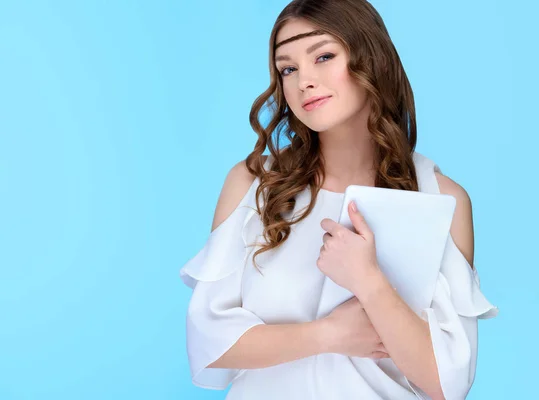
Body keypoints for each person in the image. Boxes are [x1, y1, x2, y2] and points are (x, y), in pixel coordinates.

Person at [180, 0, 499, 399]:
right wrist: (327, 335)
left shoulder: (439, 199)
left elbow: (447, 383)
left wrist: (369, 282)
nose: (303, 82)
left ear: (372, 58)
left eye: (324, 56)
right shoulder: (255, 183)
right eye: (288, 68)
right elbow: (209, 342)